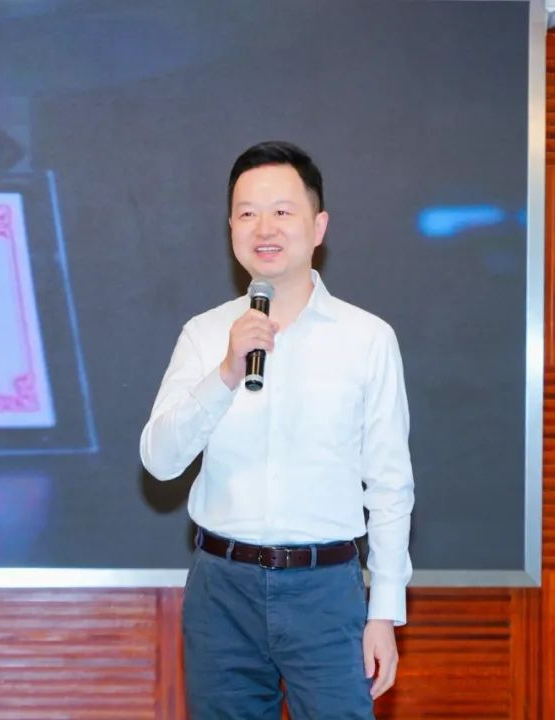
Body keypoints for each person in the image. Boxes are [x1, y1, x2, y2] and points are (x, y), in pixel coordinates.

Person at [140, 141, 415, 719]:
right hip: (222, 590)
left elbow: (390, 484)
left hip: (326, 591)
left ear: (318, 226)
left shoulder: (367, 338)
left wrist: (384, 613)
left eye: (282, 211)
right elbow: (159, 461)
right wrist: (224, 373)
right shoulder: (205, 334)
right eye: (246, 213)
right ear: (231, 229)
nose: (263, 228)